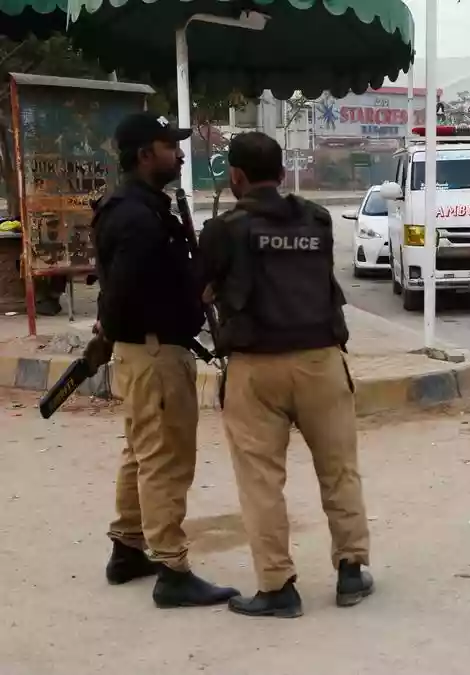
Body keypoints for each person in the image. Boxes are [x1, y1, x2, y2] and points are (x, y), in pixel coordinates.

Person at [199, 132, 372, 619]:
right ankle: (351, 571)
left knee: (261, 482)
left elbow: (202, 290)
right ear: (280, 173)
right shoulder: (317, 220)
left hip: (256, 368)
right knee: (339, 470)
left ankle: (277, 587)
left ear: (236, 175)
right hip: (321, 361)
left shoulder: (223, 230)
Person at [95, 112, 240, 608]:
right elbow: (124, 292)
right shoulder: (137, 217)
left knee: (141, 452)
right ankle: (172, 569)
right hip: (155, 352)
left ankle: (127, 547)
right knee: (166, 459)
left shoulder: (139, 207)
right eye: (168, 147)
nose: (179, 154)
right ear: (143, 155)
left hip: (146, 349)